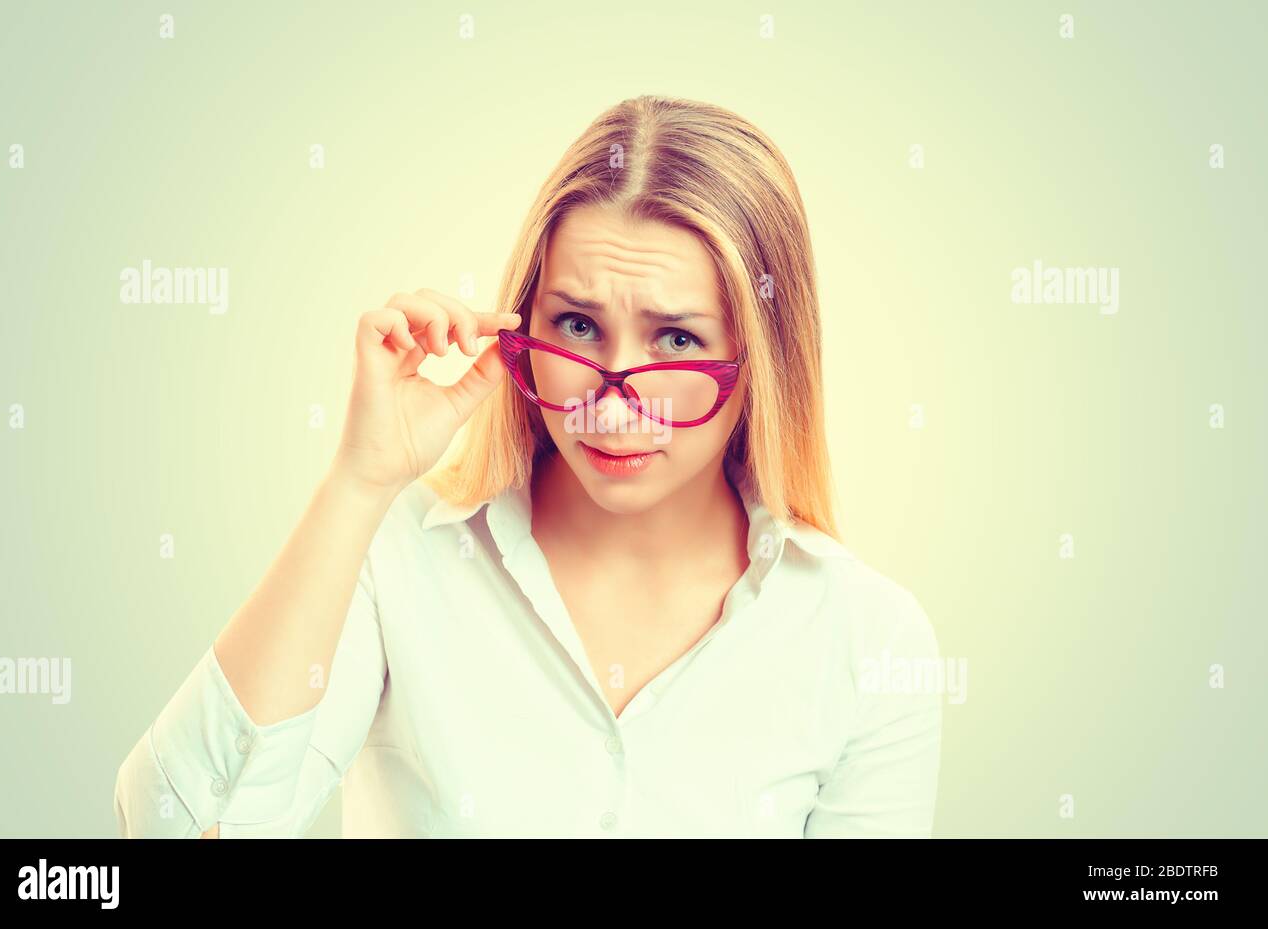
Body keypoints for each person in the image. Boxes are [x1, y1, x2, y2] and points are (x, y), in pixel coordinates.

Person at [113, 94, 942, 838]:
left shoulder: (868, 638)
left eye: (677, 339)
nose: (610, 405)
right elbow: (179, 830)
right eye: (577, 325)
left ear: (760, 358)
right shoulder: (396, 557)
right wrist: (359, 482)